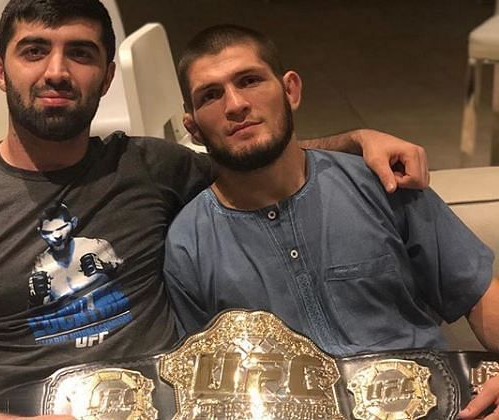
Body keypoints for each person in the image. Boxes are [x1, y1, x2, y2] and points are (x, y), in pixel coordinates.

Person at [0, 1, 430, 418]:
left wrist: (358, 139)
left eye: (80, 54)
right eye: (34, 51)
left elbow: (255, 150)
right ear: (0, 69)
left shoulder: (150, 167)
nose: (57, 71)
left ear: (107, 78)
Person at [163, 24, 499, 419]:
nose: (235, 104)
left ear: (290, 91)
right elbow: (205, 389)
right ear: (193, 127)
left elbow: (477, 291)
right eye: (211, 95)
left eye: (249, 80)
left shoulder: (381, 184)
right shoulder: (188, 243)